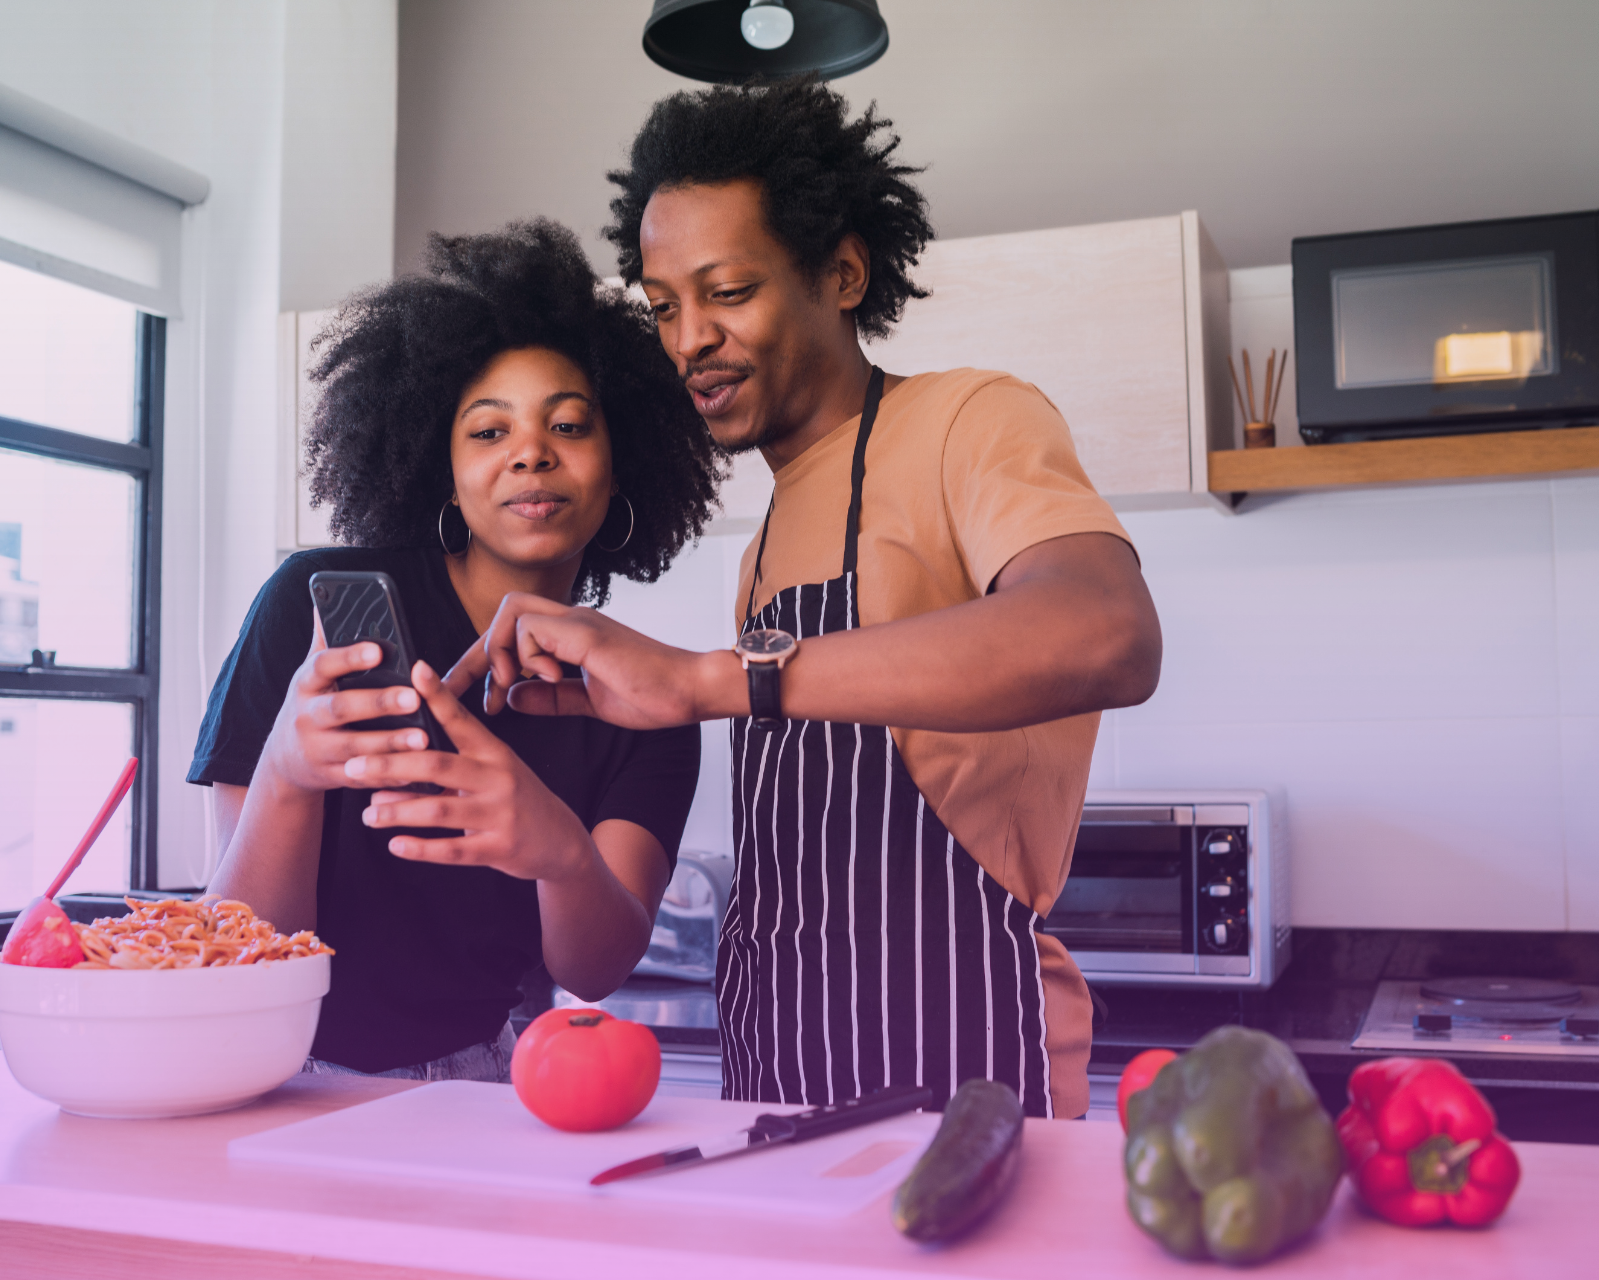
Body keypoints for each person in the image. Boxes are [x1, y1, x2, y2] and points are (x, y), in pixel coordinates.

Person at [416, 79, 1163, 1118]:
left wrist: (699, 678)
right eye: (664, 305)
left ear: (842, 272)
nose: (687, 340)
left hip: (963, 1067)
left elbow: (1107, 633)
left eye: (727, 291)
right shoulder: (766, 541)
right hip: (780, 1071)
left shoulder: (968, 419)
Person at [187, 219, 722, 1080]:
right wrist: (289, 772)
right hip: (268, 1075)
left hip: (472, 1085)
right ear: (442, 468)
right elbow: (239, 941)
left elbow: (594, 970)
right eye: (488, 432)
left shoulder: (646, 694)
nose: (531, 453)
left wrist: (559, 849)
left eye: (571, 426)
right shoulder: (312, 609)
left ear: (621, 466)